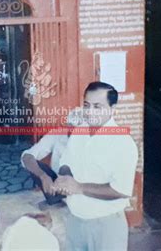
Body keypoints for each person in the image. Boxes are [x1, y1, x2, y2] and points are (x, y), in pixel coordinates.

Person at [54, 82, 138, 251]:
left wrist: (78, 187)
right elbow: (65, 162)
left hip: (105, 226)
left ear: (112, 108)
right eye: (87, 105)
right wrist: (65, 178)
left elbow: (120, 190)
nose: (89, 112)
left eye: (97, 107)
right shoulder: (79, 132)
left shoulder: (123, 143)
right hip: (75, 220)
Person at [21, 108, 83, 206]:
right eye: (72, 128)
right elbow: (27, 157)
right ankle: (56, 198)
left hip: (80, 188)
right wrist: (43, 176)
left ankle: (76, 201)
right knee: (37, 166)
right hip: (56, 186)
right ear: (68, 126)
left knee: (65, 169)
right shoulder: (57, 134)